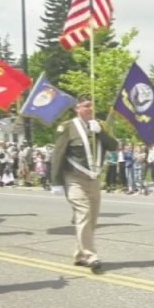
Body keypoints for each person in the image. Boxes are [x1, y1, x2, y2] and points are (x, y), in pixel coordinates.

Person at [50, 94, 119, 272]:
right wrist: (56, 181)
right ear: (77, 108)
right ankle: (90, 255)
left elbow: (114, 146)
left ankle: (80, 254)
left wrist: (101, 133)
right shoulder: (67, 127)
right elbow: (58, 154)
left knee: (92, 218)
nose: (90, 109)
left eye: (91, 106)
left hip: (94, 179)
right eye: (86, 105)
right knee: (84, 214)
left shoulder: (99, 126)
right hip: (74, 178)